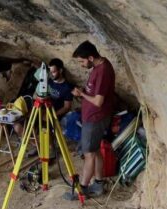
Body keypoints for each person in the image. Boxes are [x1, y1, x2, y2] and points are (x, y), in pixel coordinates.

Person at [64, 41, 116, 200]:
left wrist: (82, 94)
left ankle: (83, 189)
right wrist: (83, 92)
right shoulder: (99, 67)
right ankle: (98, 184)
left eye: (82, 61)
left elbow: (98, 101)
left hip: (95, 118)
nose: (81, 64)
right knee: (95, 150)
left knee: (89, 154)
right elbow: (94, 92)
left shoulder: (103, 71)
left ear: (91, 57)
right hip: (93, 117)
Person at [13, 58, 75, 147]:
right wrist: (39, 98)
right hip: (40, 109)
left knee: (44, 129)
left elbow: (67, 107)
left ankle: (50, 149)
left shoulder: (66, 87)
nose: (51, 74)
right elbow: (36, 95)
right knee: (18, 126)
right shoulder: (47, 80)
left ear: (60, 70)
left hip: (53, 113)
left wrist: (53, 114)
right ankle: (37, 145)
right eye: (50, 72)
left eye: (53, 72)